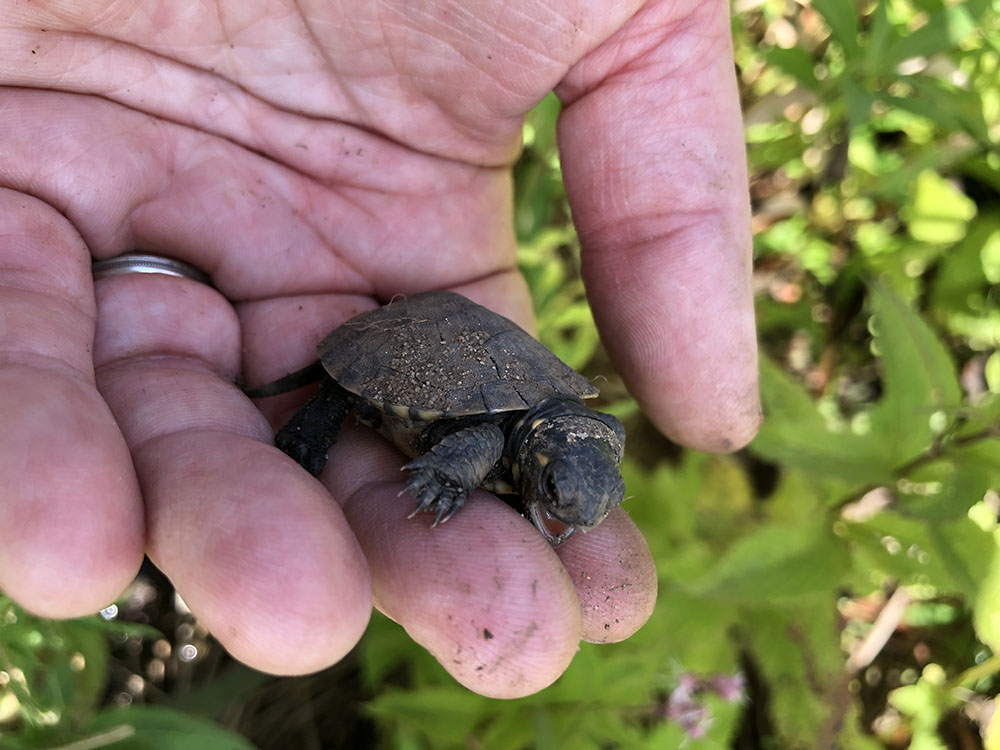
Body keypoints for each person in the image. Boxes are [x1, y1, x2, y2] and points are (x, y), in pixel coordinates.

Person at [0, 0, 760, 698]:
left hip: (474, 351)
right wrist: (448, 476)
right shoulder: (504, 436)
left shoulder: (580, 431)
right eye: (561, 490)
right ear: (540, 459)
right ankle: (316, 419)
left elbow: (599, 437)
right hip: (400, 353)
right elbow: (486, 438)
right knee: (339, 408)